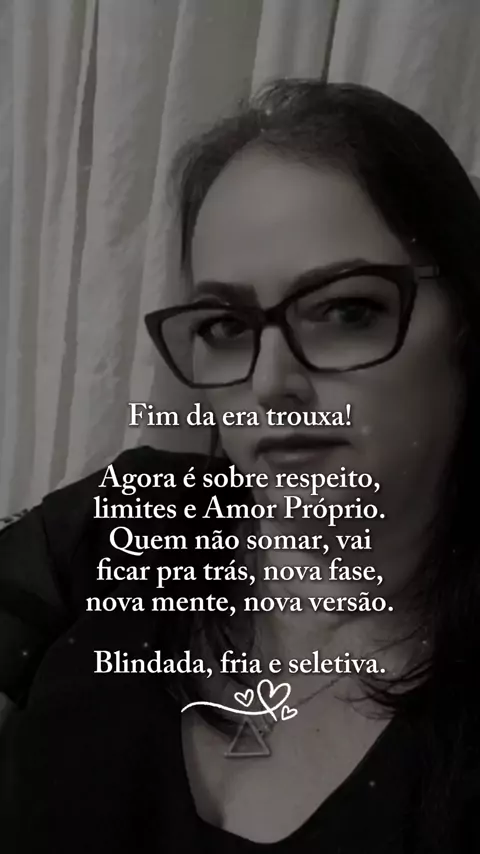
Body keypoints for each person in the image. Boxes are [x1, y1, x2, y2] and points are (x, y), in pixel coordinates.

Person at [1, 79, 480, 854]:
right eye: (225, 326)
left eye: (346, 310)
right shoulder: (138, 515)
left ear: (466, 325)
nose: (269, 381)